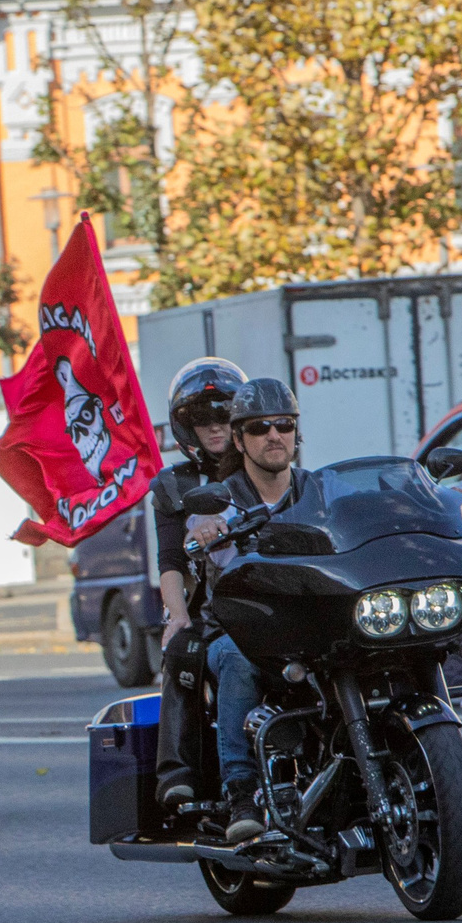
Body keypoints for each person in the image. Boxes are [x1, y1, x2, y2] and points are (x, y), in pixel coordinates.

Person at [184, 378, 312, 843]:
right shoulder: (222, 501)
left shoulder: (317, 490)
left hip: (313, 625)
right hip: (242, 631)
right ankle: (240, 790)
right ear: (239, 440)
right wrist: (209, 534)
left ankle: (434, 768)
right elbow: (205, 546)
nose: (274, 435)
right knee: (237, 660)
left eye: (285, 425)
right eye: (260, 427)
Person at [149, 357, 249, 806]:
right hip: (213, 604)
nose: (215, 428)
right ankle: (179, 774)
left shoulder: (266, 466)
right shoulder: (174, 485)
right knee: (183, 648)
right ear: (185, 428)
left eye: (224, 416)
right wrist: (177, 615)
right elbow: (169, 560)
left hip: (278, 594)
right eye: (201, 420)